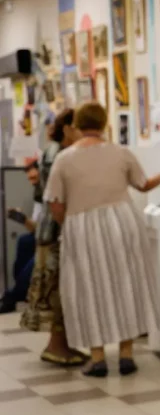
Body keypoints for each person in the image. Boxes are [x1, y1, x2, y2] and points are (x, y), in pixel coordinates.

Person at [43, 102, 160, 376]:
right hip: (122, 222)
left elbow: (55, 202)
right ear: (104, 123)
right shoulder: (120, 153)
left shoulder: (64, 158)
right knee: (127, 285)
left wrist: (70, 222)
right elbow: (143, 184)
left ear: (77, 126)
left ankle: (97, 358)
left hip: (82, 225)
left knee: (87, 290)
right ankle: (126, 354)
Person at [20, 109, 86, 366]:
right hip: (55, 231)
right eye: (79, 128)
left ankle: (62, 345)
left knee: (61, 288)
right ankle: (57, 346)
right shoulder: (58, 154)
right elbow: (56, 195)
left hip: (51, 228)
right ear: (68, 128)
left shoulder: (54, 151)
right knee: (57, 289)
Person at [0, 159, 42, 313]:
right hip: (43, 235)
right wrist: (22, 219)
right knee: (24, 242)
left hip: (56, 238)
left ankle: (13, 296)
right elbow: (36, 229)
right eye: (30, 179)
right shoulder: (38, 195)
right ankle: (22, 290)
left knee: (36, 261)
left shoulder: (51, 192)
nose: (32, 183)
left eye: (34, 179)